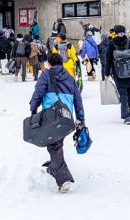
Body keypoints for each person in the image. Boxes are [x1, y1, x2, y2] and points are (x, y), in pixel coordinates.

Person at [29, 53, 85, 194]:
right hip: (67, 118)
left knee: (54, 146)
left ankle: (64, 180)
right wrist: (80, 119)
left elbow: (38, 92)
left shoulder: (46, 75)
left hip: (51, 116)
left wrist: (33, 109)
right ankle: (53, 168)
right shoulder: (70, 78)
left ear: (49, 63)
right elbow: (78, 100)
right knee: (57, 144)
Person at [106, 25, 130, 124]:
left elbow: (108, 59)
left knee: (123, 93)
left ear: (116, 32)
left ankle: (126, 115)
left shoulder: (111, 44)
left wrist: (106, 73)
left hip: (118, 72)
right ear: (124, 32)